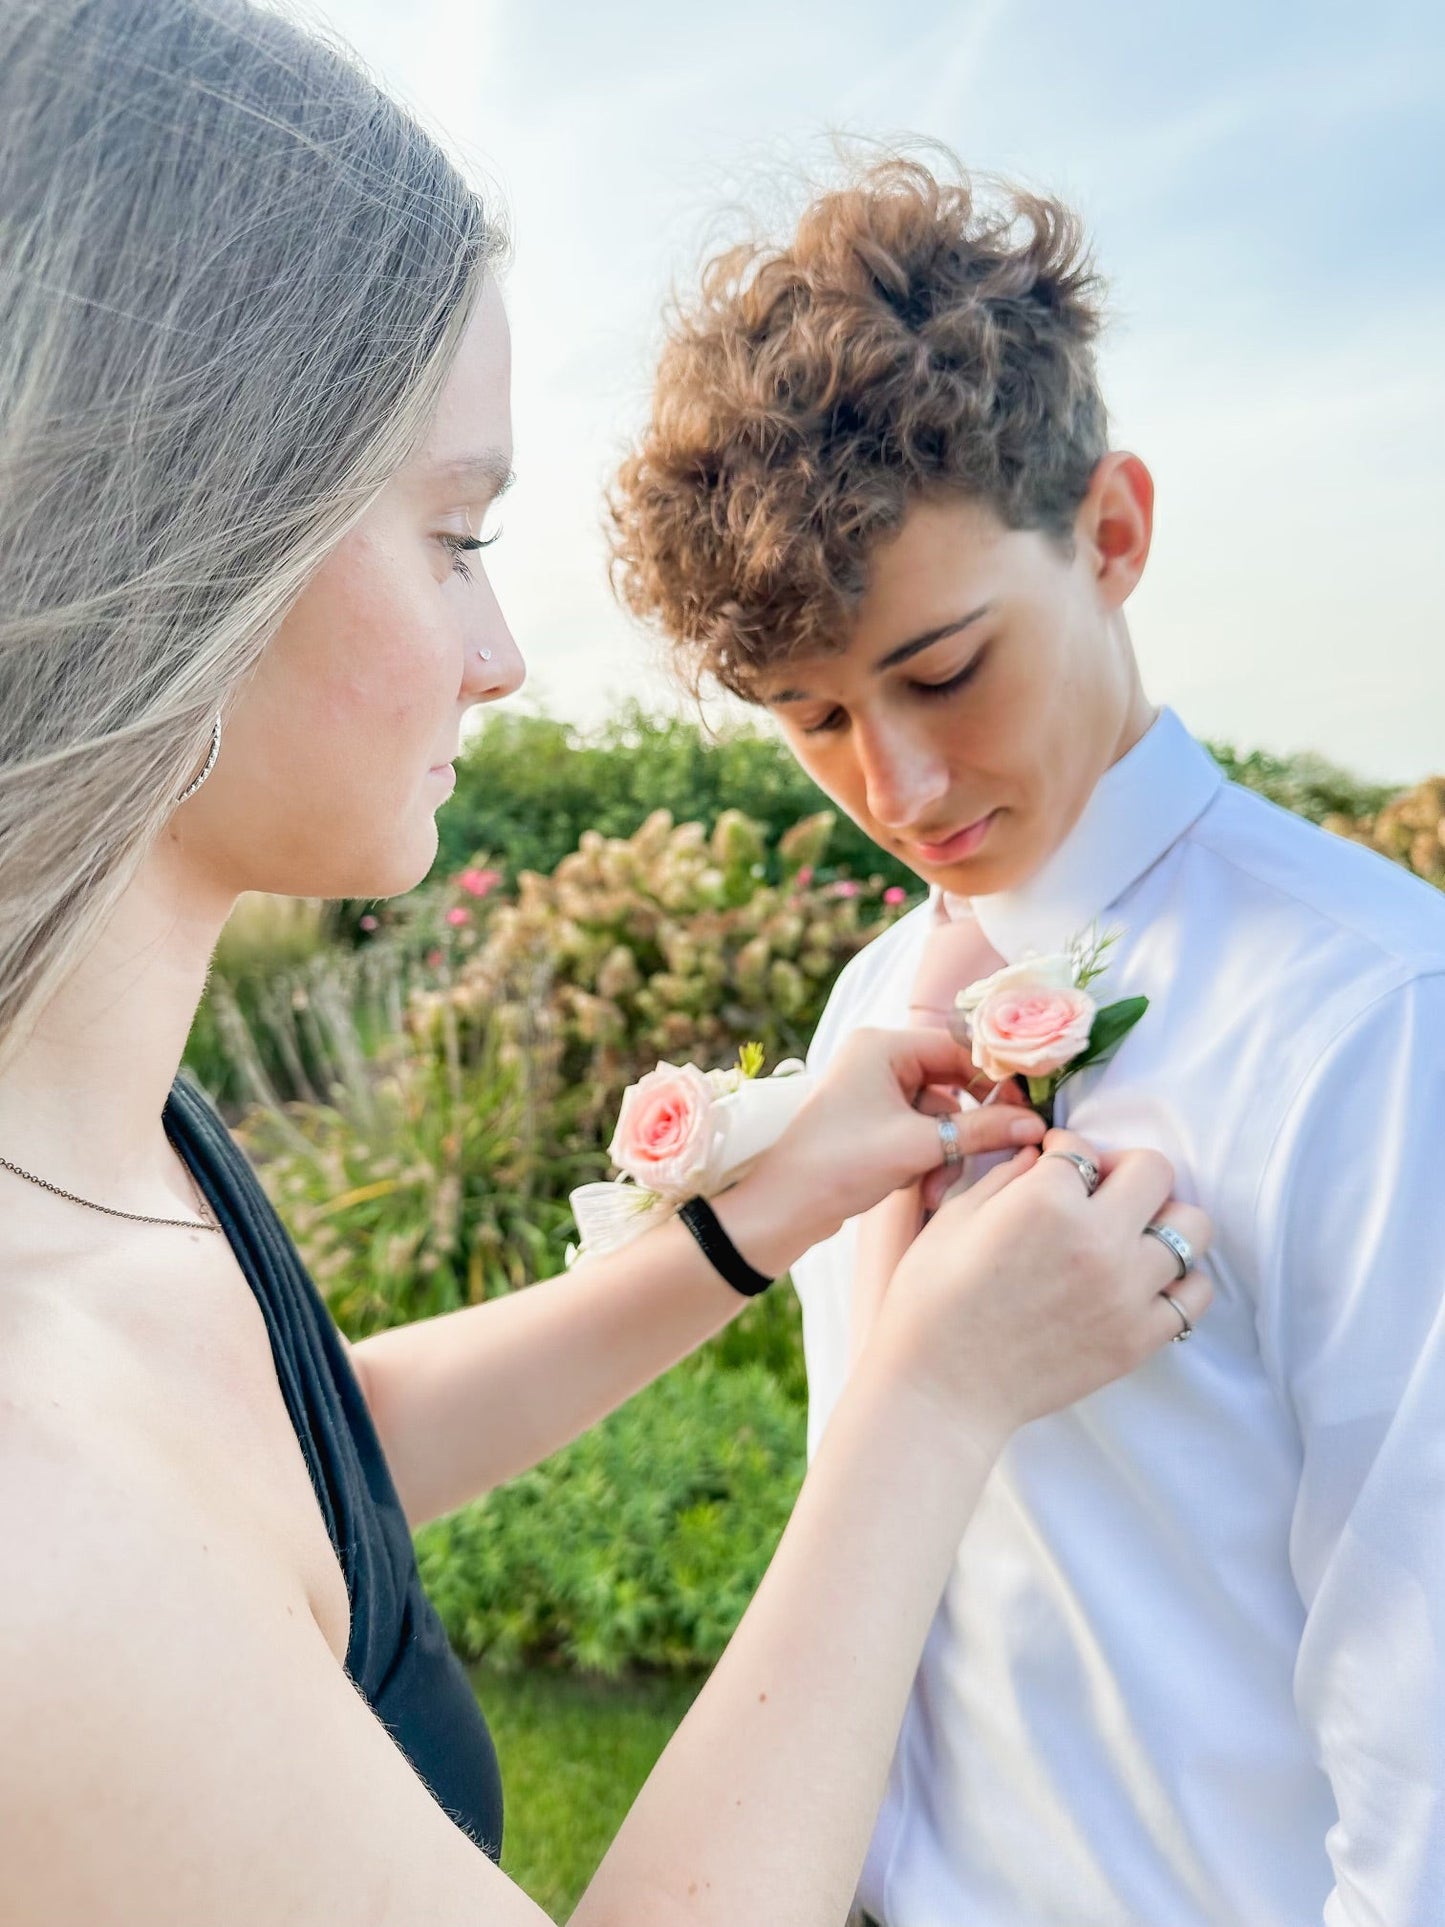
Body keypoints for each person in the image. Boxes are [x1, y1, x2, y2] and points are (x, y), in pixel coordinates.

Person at [0, 6, 1213, 1923]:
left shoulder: (107, 1142)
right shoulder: (31, 1541)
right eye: (454, 535)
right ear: (180, 527)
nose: (501, 656)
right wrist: (924, 1407)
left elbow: (312, 1481)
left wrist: (752, 1221)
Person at [608, 154, 1445, 1925]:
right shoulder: (869, 1017)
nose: (892, 789)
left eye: (939, 669)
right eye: (812, 719)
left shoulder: (1380, 1025)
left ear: (1113, 533)